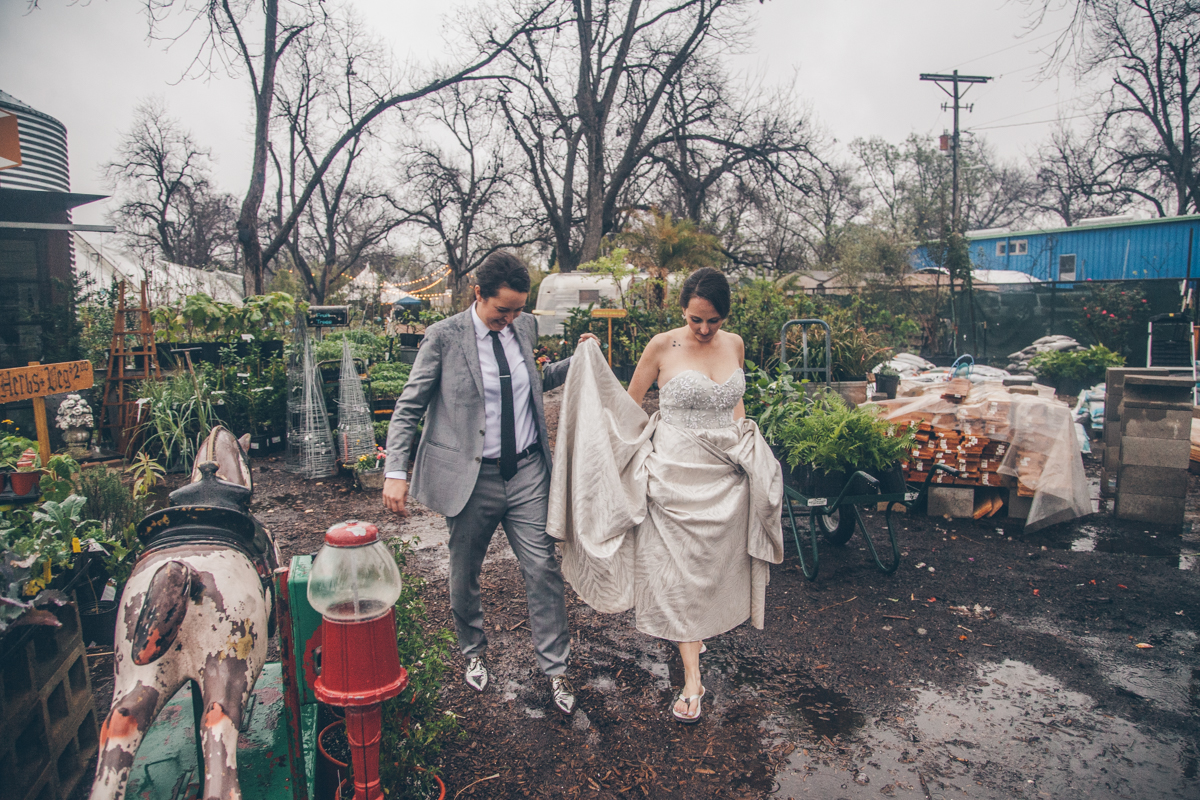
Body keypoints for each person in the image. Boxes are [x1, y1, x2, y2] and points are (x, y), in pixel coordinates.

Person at [547, 267, 784, 723]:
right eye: (696, 319)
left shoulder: (733, 344)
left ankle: (696, 644)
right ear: (683, 311)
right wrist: (591, 364)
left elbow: (736, 409)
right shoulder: (661, 345)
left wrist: (749, 456)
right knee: (677, 577)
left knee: (708, 575)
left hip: (726, 479)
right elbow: (627, 407)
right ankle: (693, 679)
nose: (704, 329)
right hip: (672, 478)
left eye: (713, 320)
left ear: (724, 316)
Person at [382, 252, 597, 715]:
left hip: (526, 472)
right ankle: (473, 650)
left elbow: (533, 383)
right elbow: (409, 406)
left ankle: (556, 670)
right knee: (465, 571)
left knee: (542, 567)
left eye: (519, 310)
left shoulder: (525, 327)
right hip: (470, 477)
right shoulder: (442, 337)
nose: (512, 319)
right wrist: (395, 471)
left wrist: (579, 358)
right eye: (504, 311)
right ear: (478, 295)